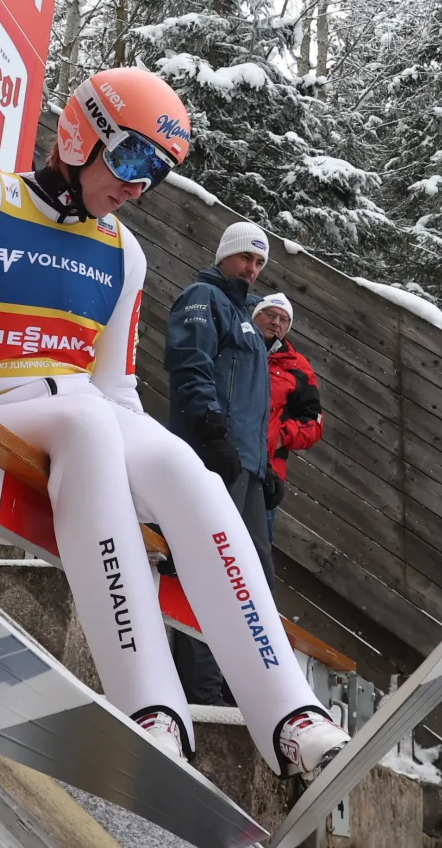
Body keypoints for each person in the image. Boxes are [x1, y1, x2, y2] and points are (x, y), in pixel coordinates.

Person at [0, 67, 348, 778]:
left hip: (84, 409)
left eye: (156, 173)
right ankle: (150, 708)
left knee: (184, 467)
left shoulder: (126, 253)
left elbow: (116, 389)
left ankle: (291, 715)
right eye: (131, 160)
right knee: (89, 426)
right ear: (80, 135)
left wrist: (150, 471)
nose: (138, 185)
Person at [163, 221, 277, 707]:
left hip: (246, 465)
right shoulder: (202, 297)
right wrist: (210, 427)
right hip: (214, 453)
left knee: (256, 575)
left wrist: (264, 467)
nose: (252, 269)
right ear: (225, 254)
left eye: (259, 262)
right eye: (246, 257)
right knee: (213, 566)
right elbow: (189, 363)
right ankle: (203, 688)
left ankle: (242, 685)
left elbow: (253, 402)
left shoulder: (247, 318)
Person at [252, 293, 324, 539]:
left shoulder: (297, 366)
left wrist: (279, 437)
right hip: (220, 457)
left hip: (266, 473)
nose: (276, 322)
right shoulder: (233, 344)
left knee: (253, 548)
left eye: (283, 320)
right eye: (270, 314)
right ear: (255, 315)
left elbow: (314, 421)